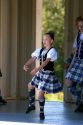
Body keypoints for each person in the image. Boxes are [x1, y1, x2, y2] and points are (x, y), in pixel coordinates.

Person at [23, 31, 62, 120]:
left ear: (51, 40)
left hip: (48, 74)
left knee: (40, 95)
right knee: (30, 86)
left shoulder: (52, 51)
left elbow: (46, 61)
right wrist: (26, 64)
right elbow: (33, 58)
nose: (44, 41)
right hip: (41, 73)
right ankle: (31, 105)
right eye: (43, 39)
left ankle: (41, 112)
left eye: (46, 39)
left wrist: (36, 69)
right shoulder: (40, 50)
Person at [65, 16, 83, 112]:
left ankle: (80, 103)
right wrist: (70, 64)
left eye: (82, 26)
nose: (81, 28)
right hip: (78, 61)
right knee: (68, 81)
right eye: (79, 26)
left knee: (80, 84)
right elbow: (75, 52)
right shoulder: (78, 35)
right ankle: (80, 98)